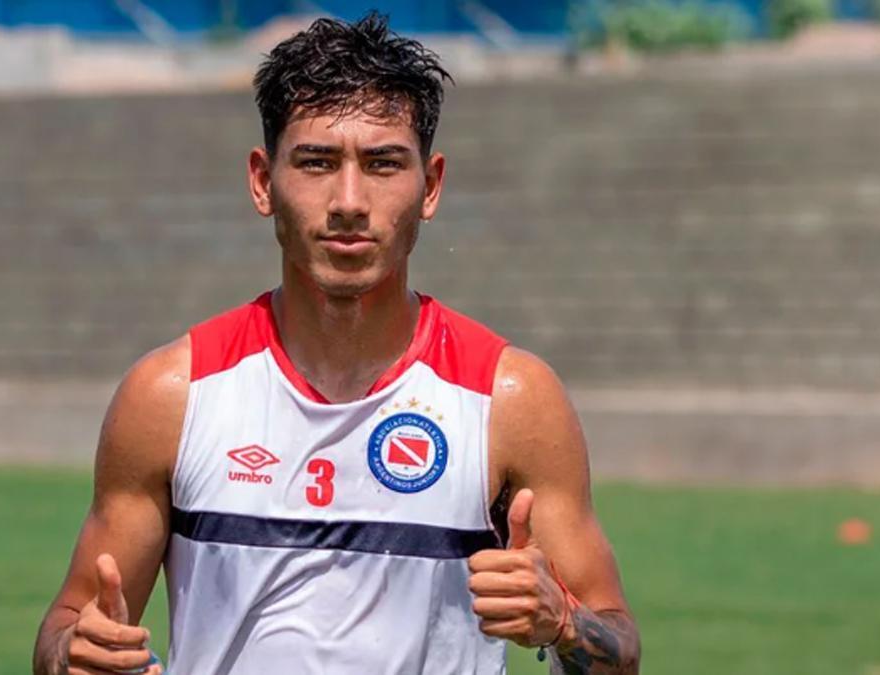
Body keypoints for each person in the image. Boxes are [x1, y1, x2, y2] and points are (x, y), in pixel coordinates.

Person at [32, 12, 639, 675]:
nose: (349, 200)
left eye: (382, 164)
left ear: (430, 186)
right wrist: (74, 652)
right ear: (263, 181)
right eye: (317, 162)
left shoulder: (511, 399)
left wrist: (565, 622)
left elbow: (619, 653)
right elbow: (67, 626)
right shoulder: (171, 395)